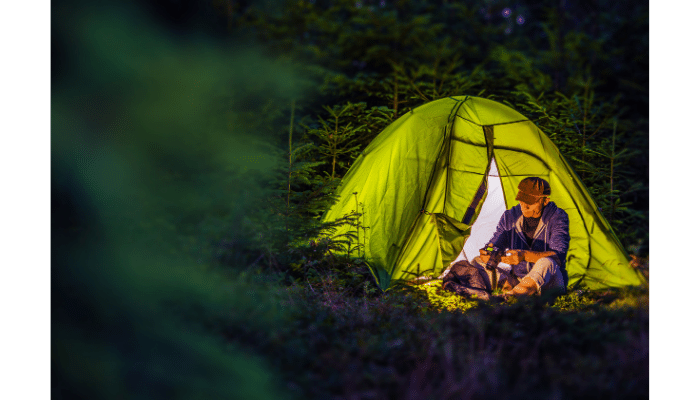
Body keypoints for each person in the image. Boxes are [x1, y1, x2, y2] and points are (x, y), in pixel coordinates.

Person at [442, 177, 569, 300]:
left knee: (546, 262)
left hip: (549, 282)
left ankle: (509, 298)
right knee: (478, 260)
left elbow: (558, 256)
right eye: (522, 200)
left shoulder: (557, 217)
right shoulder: (510, 216)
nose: (525, 206)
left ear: (545, 201)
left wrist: (524, 255)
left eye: (531, 202)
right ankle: (486, 291)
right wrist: (490, 252)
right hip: (516, 279)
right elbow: (496, 242)